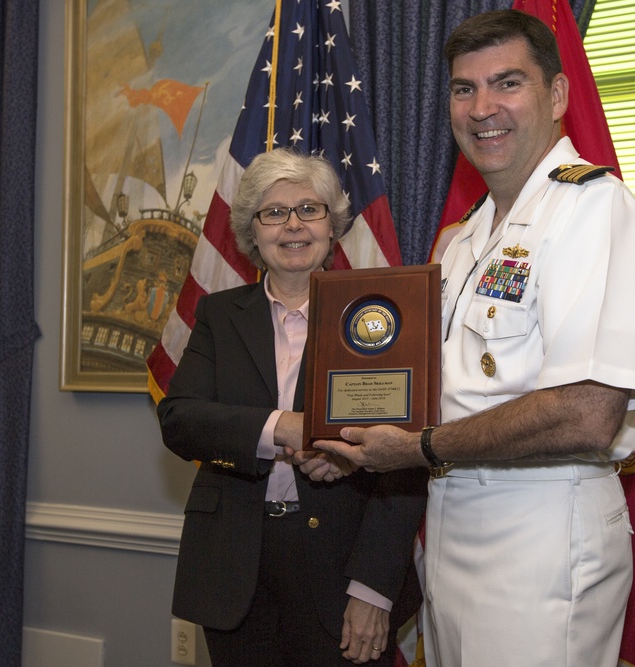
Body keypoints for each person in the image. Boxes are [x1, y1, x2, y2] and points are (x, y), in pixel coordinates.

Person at [312, 9, 635, 667]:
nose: (483, 108)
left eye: (507, 83)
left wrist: (417, 446)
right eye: (463, 88)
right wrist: (352, 439)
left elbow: (589, 413)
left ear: (557, 96)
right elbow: (440, 392)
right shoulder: (465, 239)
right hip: (451, 530)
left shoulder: (594, 209)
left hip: (541, 533)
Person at [158, 147, 427, 667]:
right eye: (273, 212)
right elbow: (181, 419)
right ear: (252, 232)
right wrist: (284, 427)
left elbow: (405, 458)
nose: (293, 225)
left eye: (309, 209)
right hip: (233, 571)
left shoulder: (381, 315)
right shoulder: (219, 314)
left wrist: (372, 588)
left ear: (332, 226)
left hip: (345, 567)